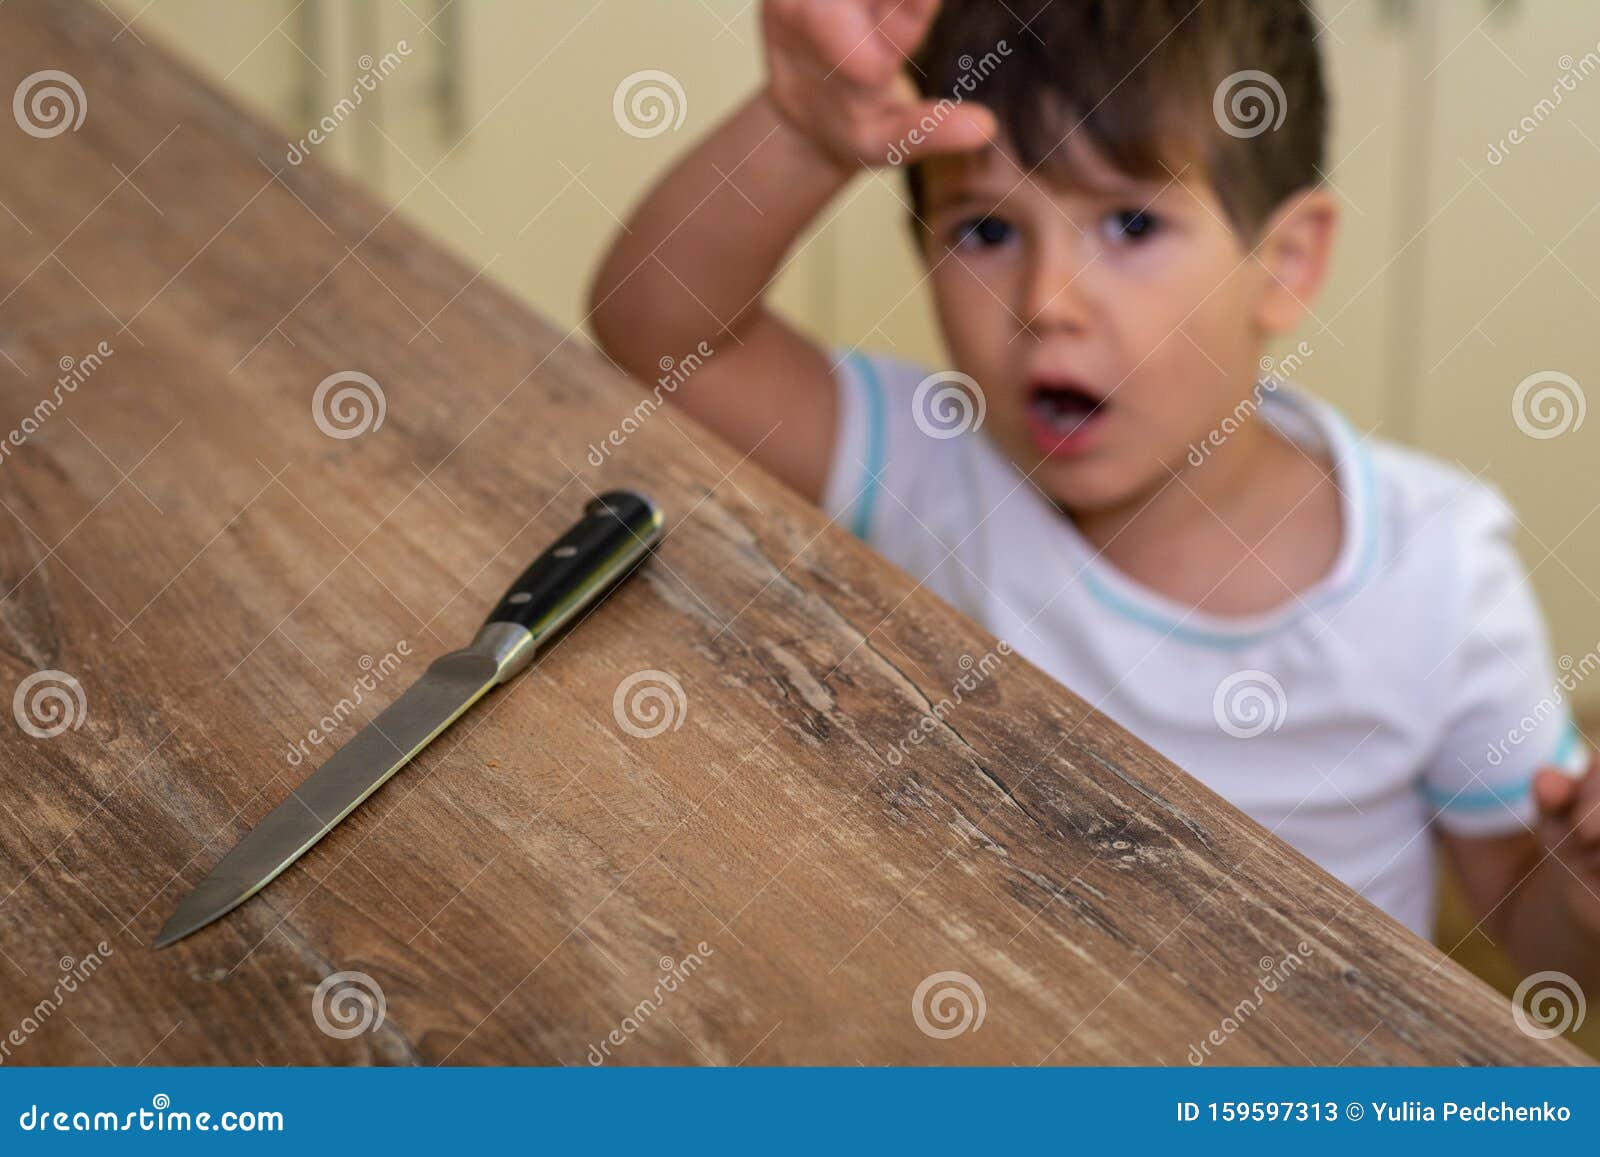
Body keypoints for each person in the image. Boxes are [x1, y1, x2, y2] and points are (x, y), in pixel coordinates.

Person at [590, 0, 1600, 986]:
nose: (1044, 304)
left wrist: (1582, 887)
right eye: (985, 231)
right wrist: (801, 134)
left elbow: (1533, 929)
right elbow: (665, 334)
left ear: (1284, 263)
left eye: (1127, 222)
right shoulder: (931, 461)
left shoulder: (1438, 572)